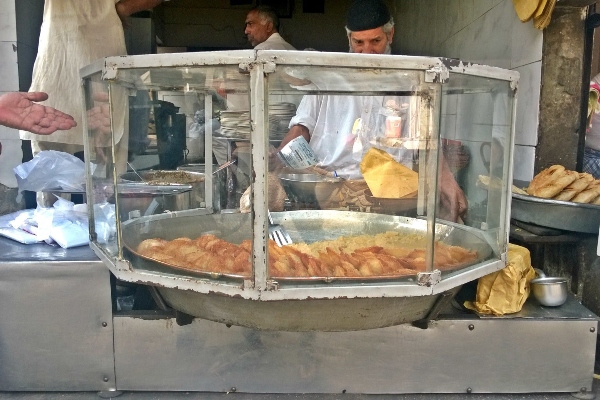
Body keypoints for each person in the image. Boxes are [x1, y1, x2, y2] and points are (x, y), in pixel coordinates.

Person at [276, 0, 468, 222]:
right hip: (331, 191)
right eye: (358, 42)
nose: (366, 51)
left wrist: (446, 180)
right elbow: (302, 128)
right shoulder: (325, 78)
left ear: (390, 35)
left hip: (391, 197)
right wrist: (278, 161)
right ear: (348, 38)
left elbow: (426, 141)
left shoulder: (411, 82)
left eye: (375, 41)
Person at [19, 0, 163, 205]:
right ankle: (56, 224)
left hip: (95, 50)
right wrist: (121, 9)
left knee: (102, 168)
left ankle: (102, 230)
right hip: (60, 53)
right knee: (52, 163)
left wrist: (122, 8)